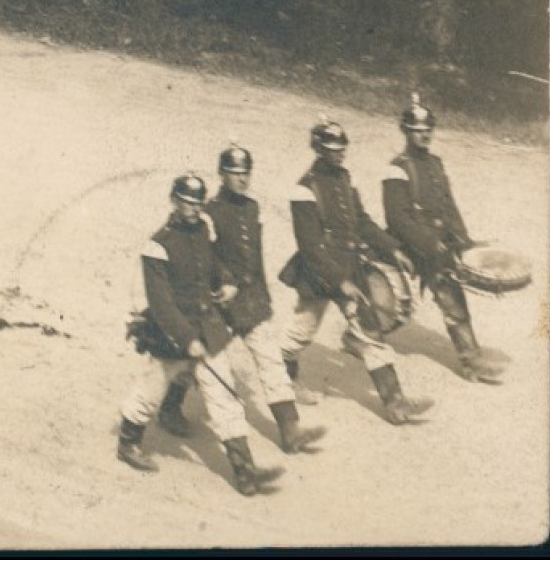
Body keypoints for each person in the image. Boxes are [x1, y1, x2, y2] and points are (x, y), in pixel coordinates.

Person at [117, 173, 283, 497]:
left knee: (224, 397)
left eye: (196, 203)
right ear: (174, 201)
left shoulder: (203, 230)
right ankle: (128, 443)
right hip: (170, 338)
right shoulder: (158, 245)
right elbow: (161, 304)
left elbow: (213, 263)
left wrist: (227, 281)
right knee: (149, 394)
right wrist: (186, 338)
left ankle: (244, 470)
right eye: (186, 202)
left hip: (209, 330)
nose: (192, 209)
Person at [158, 146, 327, 455]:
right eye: (235, 173)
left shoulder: (252, 208)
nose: (242, 179)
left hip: (249, 302)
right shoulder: (209, 212)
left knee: (270, 361)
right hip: (217, 303)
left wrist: (261, 296)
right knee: (194, 360)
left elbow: (254, 258)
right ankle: (169, 408)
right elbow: (202, 259)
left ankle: (290, 429)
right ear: (222, 174)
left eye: (246, 172)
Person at [278, 121, 433, 425]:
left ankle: (395, 403)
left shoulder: (344, 179)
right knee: (301, 333)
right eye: (331, 150)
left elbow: (361, 221)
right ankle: (284, 381)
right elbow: (310, 247)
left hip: (350, 266)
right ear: (318, 149)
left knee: (371, 332)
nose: (339, 155)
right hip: (320, 274)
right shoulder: (304, 190)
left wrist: (393, 249)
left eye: (342, 148)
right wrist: (340, 282)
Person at [382, 96, 503, 384]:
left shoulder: (435, 163)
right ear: (406, 132)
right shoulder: (397, 168)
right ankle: (472, 361)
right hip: (414, 246)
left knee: (453, 299)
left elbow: (449, 206)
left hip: (440, 242)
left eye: (428, 130)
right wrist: (428, 244)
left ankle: (471, 360)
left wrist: (463, 239)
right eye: (416, 130)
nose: (424, 135)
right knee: (430, 299)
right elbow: (397, 218)